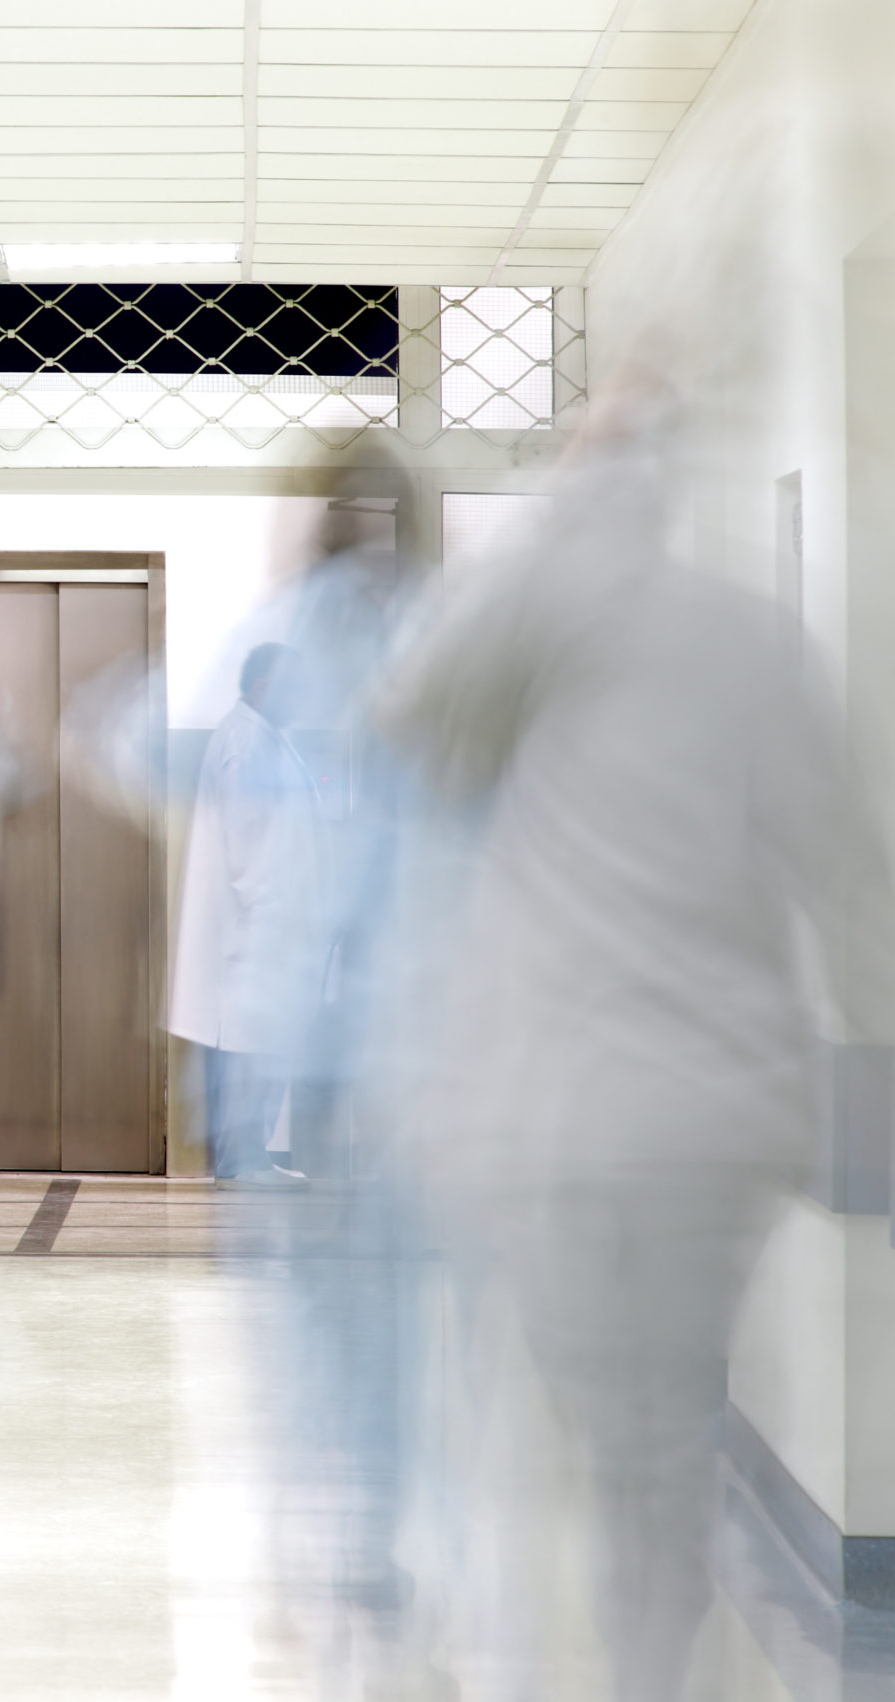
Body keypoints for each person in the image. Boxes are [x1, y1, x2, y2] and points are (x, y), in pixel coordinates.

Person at [373, 389, 894, 1701]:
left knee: (552, 1424)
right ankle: (644, 1659)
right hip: (713, 1117)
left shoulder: (538, 618)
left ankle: (563, 1652)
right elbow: (849, 885)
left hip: (556, 1118)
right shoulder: (760, 641)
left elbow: (410, 713)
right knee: (660, 1444)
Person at [170, 640, 328, 1187]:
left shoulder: (264, 740)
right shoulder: (244, 744)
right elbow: (248, 849)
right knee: (246, 1047)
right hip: (255, 931)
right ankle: (241, 1160)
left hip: (270, 929)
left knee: (260, 1045)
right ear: (263, 685)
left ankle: (250, 1156)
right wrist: (270, 921)